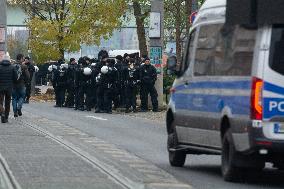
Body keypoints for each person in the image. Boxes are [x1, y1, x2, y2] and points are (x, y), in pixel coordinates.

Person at [0, 55, 18, 123]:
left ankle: (2, 112)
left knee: (0, 102)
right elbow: (16, 78)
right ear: (9, 60)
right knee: (7, 103)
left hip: (0, 87)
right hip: (9, 88)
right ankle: (6, 117)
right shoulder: (12, 67)